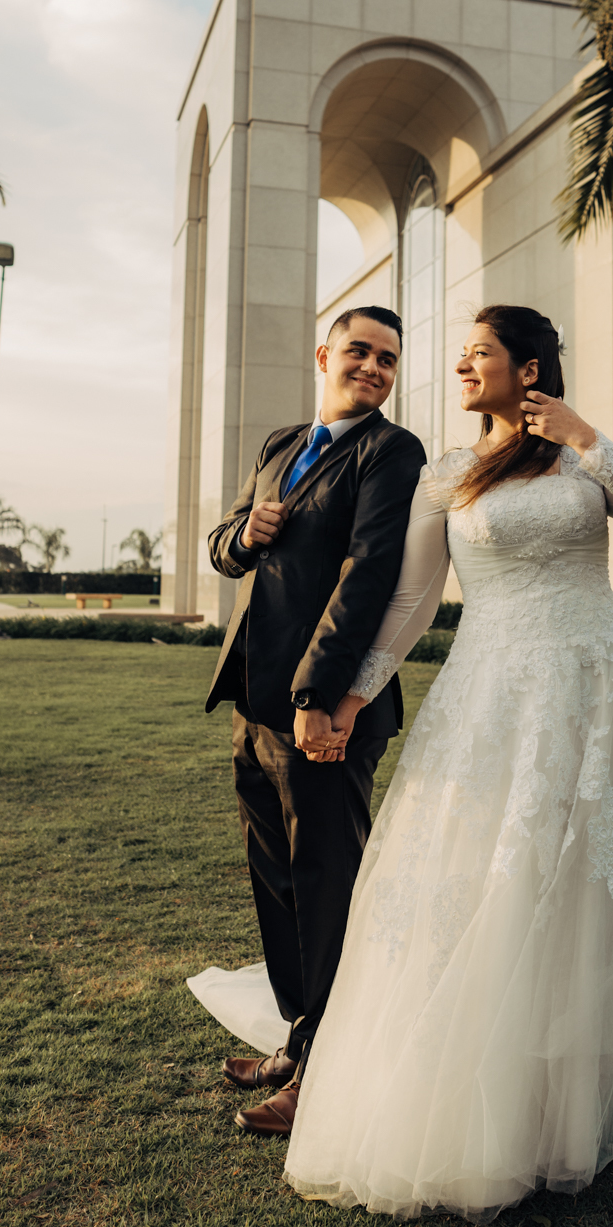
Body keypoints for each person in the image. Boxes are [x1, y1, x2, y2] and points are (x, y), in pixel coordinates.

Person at [279, 304, 613, 1220]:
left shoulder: (582, 459)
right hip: (493, 692)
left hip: (597, 689)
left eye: (480, 354)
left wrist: (585, 436)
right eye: (464, 355)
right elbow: (412, 603)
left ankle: (597, 1047)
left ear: (530, 369)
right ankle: (496, 1061)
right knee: (494, 866)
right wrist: (352, 695)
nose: (463, 367)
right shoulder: (444, 474)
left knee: (587, 866)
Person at [198, 307, 426, 1138]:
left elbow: (369, 576)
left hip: (322, 713)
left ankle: (328, 1069)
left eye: (388, 359)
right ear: (325, 355)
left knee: (328, 886)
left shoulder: (392, 452)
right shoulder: (281, 444)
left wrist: (314, 696)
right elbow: (222, 545)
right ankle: (299, 1039)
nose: (374, 367)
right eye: (360, 351)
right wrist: (243, 534)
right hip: (251, 701)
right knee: (277, 882)